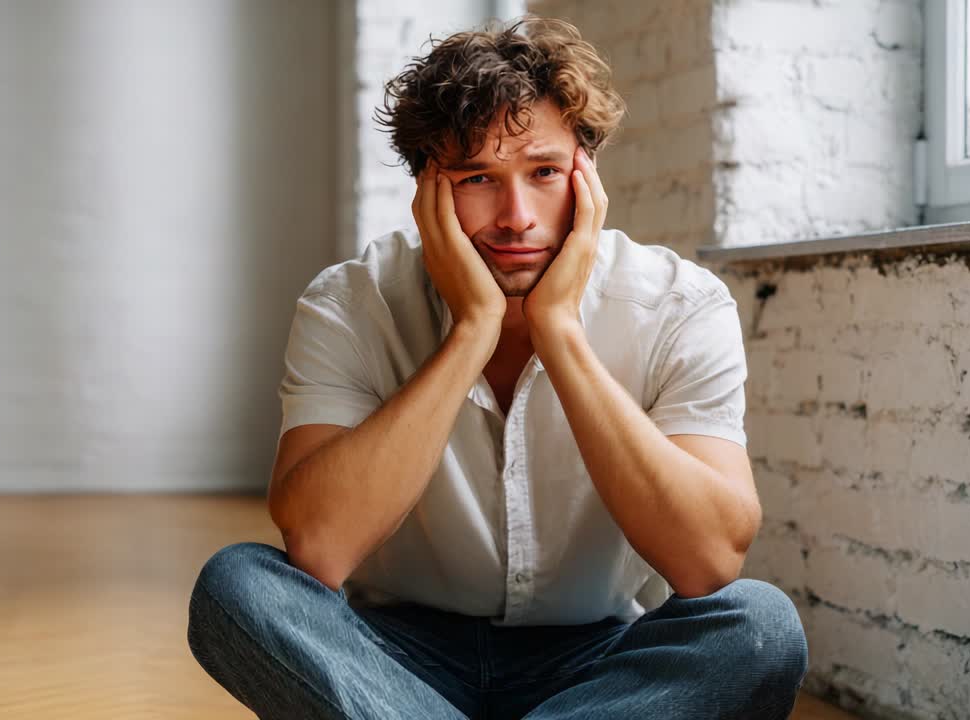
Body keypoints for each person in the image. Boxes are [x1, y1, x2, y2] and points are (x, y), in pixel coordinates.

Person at [187, 15, 807, 720]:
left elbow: (708, 561)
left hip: (596, 658)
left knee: (759, 628)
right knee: (238, 585)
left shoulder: (680, 305)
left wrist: (560, 334)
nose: (517, 217)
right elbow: (321, 547)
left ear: (587, 176)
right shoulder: (350, 303)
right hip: (393, 657)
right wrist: (471, 332)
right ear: (427, 189)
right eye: (479, 177)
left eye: (544, 173)